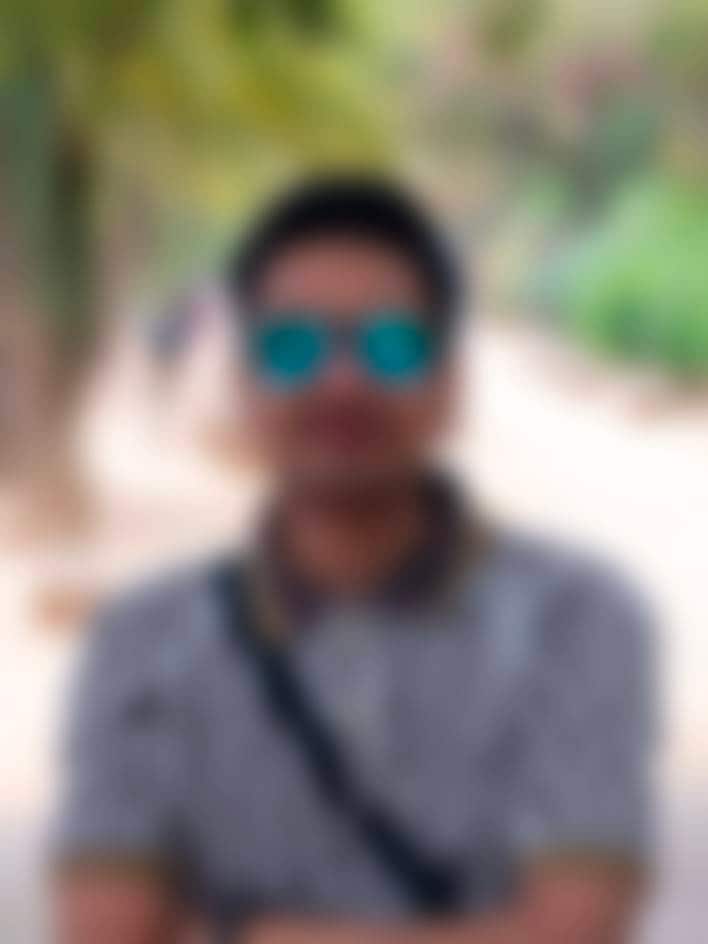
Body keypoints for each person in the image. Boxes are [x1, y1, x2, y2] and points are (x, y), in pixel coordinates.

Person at [53, 176, 654, 944]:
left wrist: (250, 934)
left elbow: (576, 927)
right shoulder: (141, 639)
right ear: (243, 382)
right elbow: (106, 928)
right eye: (292, 347)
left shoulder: (576, 620)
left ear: (450, 384)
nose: (340, 382)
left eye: (390, 347)